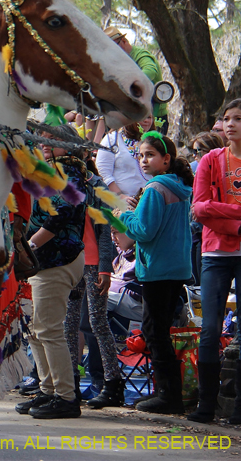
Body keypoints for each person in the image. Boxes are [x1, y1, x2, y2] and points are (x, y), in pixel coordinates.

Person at [115, 131, 193, 415]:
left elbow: (144, 231)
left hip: (158, 269)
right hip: (177, 267)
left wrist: (124, 217)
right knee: (158, 329)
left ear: (166, 159)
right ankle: (169, 393)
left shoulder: (155, 188)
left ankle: (168, 395)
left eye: (150, 155)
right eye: (140, 156)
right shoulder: (177, 186)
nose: (143, 161)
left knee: (154, 330)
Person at [17, 123, 88, 420]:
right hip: (40, 262)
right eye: (41, 139)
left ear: (70, 144)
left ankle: (66, 397)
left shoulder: (69, 172)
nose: (44, 144)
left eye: (53, 139)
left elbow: (59, 215)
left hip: (58, 260)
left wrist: (28, 248)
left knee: (49, 329)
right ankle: (48, 390)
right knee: (36, 330)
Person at [189, 98, 241, 423]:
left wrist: (222, 212)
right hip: (216, 254)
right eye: (227, 118)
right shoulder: (210, 160)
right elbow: (200, 208)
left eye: (237, 118)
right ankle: (206, 405)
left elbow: (212, 209)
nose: (230, 124)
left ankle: (235, 407)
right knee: (208, 330)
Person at [65, 158, 123, 409]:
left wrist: (104, 269)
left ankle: (113, 384)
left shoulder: (96, 185)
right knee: (69, 323)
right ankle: (70, 384)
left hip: (93, 263)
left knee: (97, 321)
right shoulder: (58, 180)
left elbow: (105, 231)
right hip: (70, 260)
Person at [104, 27, 167, 133]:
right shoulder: (118, 62)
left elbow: (151, 70)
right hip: (131, 117)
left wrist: (130, 83)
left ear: (123, 41)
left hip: (154, 117)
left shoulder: (141, 55)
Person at [97, 115, 153, 199]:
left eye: (149, 117)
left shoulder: (155, 141)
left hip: (149, 199)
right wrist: (120, 196)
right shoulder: (112, 139)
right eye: (142, 117)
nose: (146, 121)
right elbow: (103, 173)